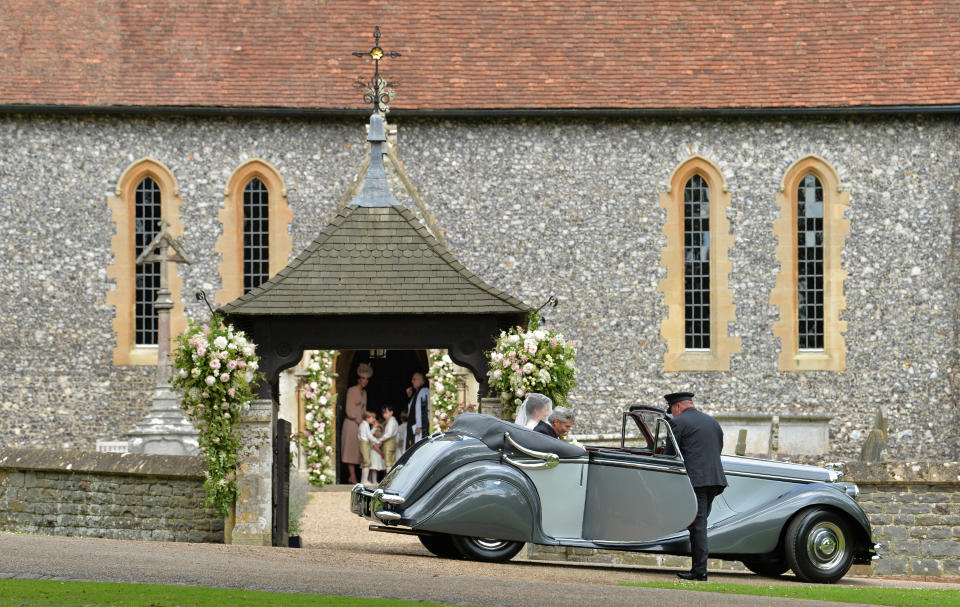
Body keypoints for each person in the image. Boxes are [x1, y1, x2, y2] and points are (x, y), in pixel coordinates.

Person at [665, 391, 727, 582]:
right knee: (699, 525)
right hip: (715, 481)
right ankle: (698, 569)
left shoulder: (677, 422)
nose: (673, 415)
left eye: (672, 411)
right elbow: (718, 448)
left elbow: (669, 454)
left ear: (677, 407)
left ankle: (700, 571)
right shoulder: (713, 422)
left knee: (698, 526)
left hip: (696, 481)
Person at [341, 362, 373, 485]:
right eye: (363, 378)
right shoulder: (352, 390)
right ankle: (352, 476)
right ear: (359, 379)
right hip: (351, 424)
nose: (365, 381)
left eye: (367, 379)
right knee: (350, 450)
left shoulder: (364, 393)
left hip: (360, 424)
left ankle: (357, 476)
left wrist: (368, 420)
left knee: (358, 450)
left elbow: (364, 410)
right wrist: (359, 420)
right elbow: (349, 409)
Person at [357, 409, 384, 488]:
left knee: (366, 462)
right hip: (364, 444)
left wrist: (374, 428)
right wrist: (377, 441)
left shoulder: (364, 424)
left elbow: (368, 433)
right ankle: (364, 481)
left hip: (365, 444)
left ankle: (364, 480)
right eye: (372, 418)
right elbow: (369, 436)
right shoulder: (364, 424)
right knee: (366, 462)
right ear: (367, 418)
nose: (374, 419)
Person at [405, 371, 430, 446]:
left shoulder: (424, 391)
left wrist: (420, 426)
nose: (412, 381)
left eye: (414, 379)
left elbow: (424, 409)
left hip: (420, 428)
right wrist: (410, 397)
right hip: (414, 427)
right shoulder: (417, 393)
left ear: (421, 380)